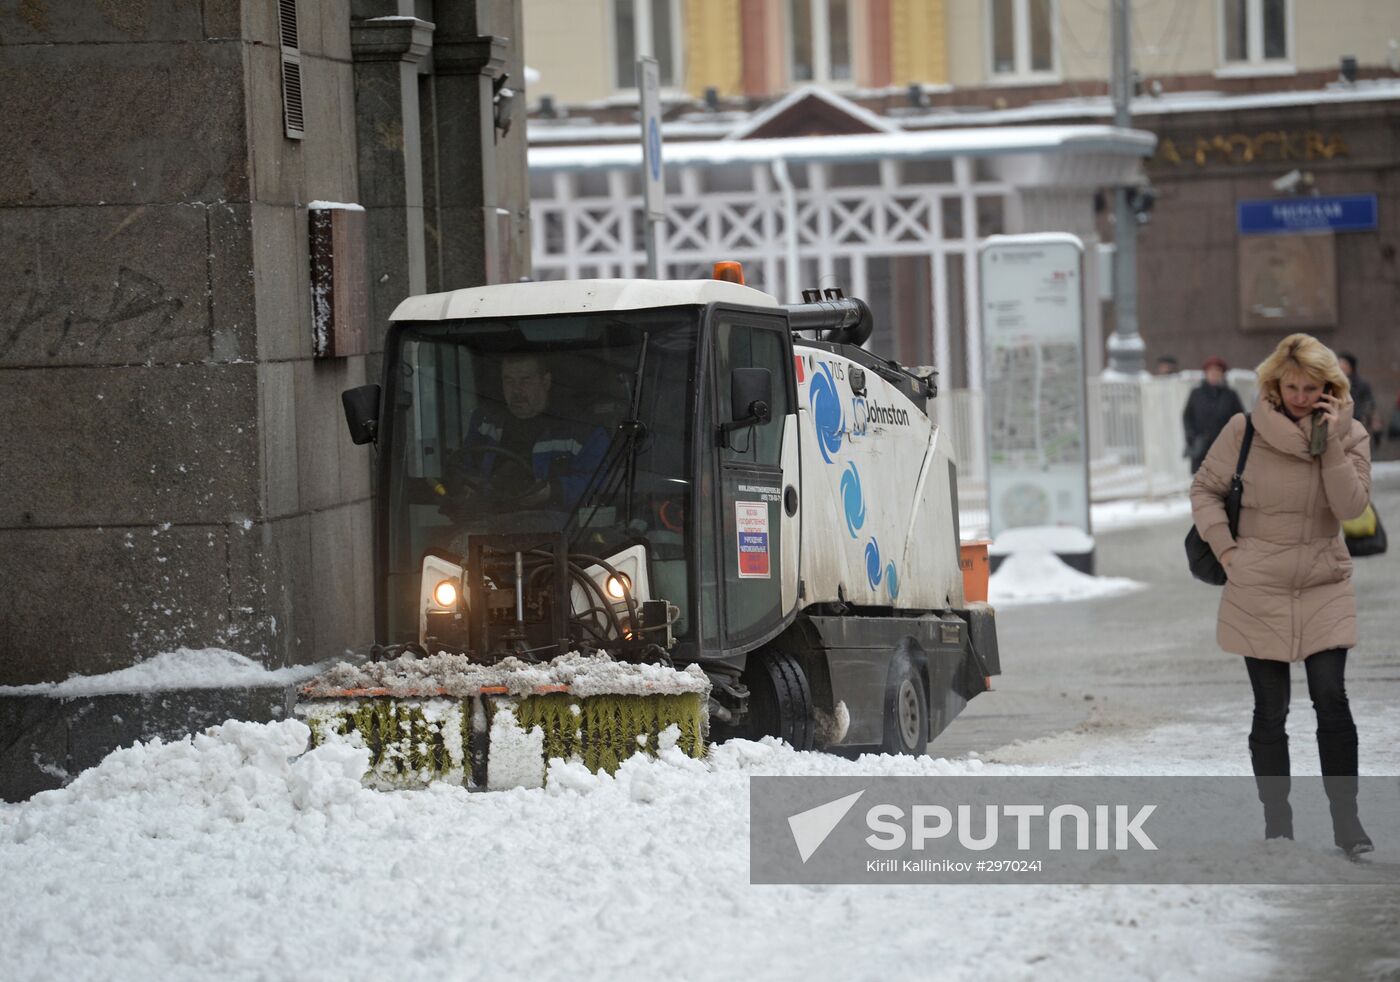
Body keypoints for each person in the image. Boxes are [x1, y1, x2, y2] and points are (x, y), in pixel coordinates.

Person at [1189, 333, 1373, 856]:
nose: (1298, 395)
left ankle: (1347, 823)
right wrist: (1227, 552)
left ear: (1330, 388)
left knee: (1331, 700)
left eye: (1309, 387)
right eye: (1289, 386)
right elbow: (1205, 490)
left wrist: (1332, 440)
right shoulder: (1242, 431)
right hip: (1258, 585)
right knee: (1270, 711)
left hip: (1323, 583)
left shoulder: (1351, 434)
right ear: (1273, 383)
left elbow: (1352, 507)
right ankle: (1278, 823)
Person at [452, 353, 607, 512]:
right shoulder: (485, 421)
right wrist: (466, 486)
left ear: (545, 381)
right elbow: (464, 466)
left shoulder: (581, 429)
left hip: (559, 530)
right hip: (488, 525)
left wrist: (552, 491)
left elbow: (602, 482)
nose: (516, 390)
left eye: (525, 380)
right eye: (509, 380)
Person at [1183, 356, 1245, 473]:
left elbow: (1240, 419)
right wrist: (1191, 436)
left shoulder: (1230, 395)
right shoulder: (1196, 394)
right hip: (1200, 447)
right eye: (1211, 371)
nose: (1214, 374)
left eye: (1217, 371)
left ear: (1222, 374)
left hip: (1224, 447)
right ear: (1206, 373)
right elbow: (1187, 416)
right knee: (1201, 482)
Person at [1338, 352, 1379, 450]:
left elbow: (1370, 403)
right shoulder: (1335, 384)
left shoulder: (1362, 384)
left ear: (1350, 366)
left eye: (1342, 363)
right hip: (1339, 424)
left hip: (1357, 422)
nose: (1339, 366)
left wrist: (1368, 418)